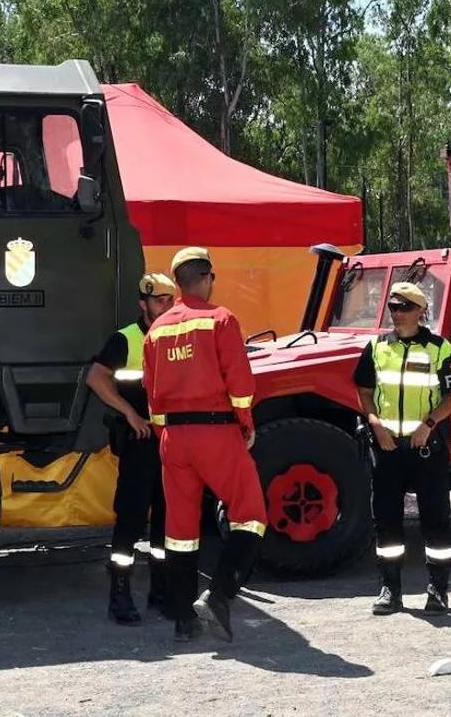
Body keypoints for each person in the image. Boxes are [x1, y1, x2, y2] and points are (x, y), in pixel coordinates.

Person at [143, 247, 267, 643]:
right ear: (208, 277)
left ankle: (183, 618)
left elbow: (151, 392)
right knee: (250, 514)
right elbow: (241, 383)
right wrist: (245, 424)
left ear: (178, 284)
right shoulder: (220, 319)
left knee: (180, 530)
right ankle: (219, 594)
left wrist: (167, 435)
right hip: (215, 432)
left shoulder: (157, 329)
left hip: (173, 439)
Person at [353, 281, 451, 616]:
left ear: (420, 311)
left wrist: (428, 425)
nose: (396, 315)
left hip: (426, 447)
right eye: (392, 309)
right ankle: (390, 591)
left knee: (436, 520)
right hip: (386, 447)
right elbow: (364, 389)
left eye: (403, 308)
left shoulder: (440, 349)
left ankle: (438, 591)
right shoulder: (377, 346)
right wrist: (374, 422)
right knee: (386, 521)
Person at [86, 272, 176, 625]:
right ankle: (119, 595)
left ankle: (160, 590)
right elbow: (96, 378)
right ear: (143, 304)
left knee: (167, 522)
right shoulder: (126, 339)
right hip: (140, 442)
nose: (165, 307)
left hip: (171, 443)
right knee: (131, 519)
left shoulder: (178, 335)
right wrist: (130, 413)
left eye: (170, 301)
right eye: (158, 301)